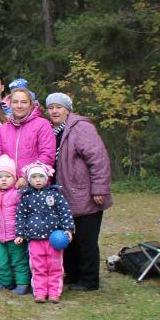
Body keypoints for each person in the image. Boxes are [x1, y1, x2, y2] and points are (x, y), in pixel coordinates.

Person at [46, 92, 113, 292]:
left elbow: (98, 158)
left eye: (59, 107)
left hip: (84, 192)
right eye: (51, 107)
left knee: (86, 239)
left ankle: (89, 280)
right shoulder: (52, 130)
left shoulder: (81, 127)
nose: (55, 111)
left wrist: (99, 188)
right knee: (69, 238)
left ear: (68, 109)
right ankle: (72, 275)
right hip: (63, 193)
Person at [16, 161, 74, 303]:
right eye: (34, 177)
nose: (38, 180)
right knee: (38, 267)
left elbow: (65, 212)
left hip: (53, 238)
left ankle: (54, 292)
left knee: (55, 266)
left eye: (41, 177)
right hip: (34, 239)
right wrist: (20, 234)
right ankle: (40, 292)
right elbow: (20, 216)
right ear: (29, 179)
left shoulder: (55, 194)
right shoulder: (26, 197)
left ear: (46, 178)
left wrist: (68, 229)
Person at [0, 87, 55, 190]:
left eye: (24, 102)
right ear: (10, 104)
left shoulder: (42, 124)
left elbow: (47, 155)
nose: (19, 106)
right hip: (7, 187)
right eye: (15, 102)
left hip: (35, 186)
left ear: (31, 105)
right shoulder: (3, 128)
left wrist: (27, 176)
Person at [0, 155, 29, 295]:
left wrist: (22, 232)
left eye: (7, 176)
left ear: (15, 178)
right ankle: (5, 281)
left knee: (18, 260)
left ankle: (22, 283)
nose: (3, 179)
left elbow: (25, 213)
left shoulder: (18, 195)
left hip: (15, 235)